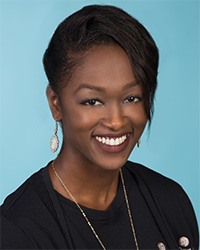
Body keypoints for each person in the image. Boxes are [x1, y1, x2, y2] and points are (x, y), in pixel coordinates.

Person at [1, 5, 199, 250]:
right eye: (92, 101)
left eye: (132, 98)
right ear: (56, 104)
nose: (116, 121)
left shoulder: (170, 201)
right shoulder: (18, 230)